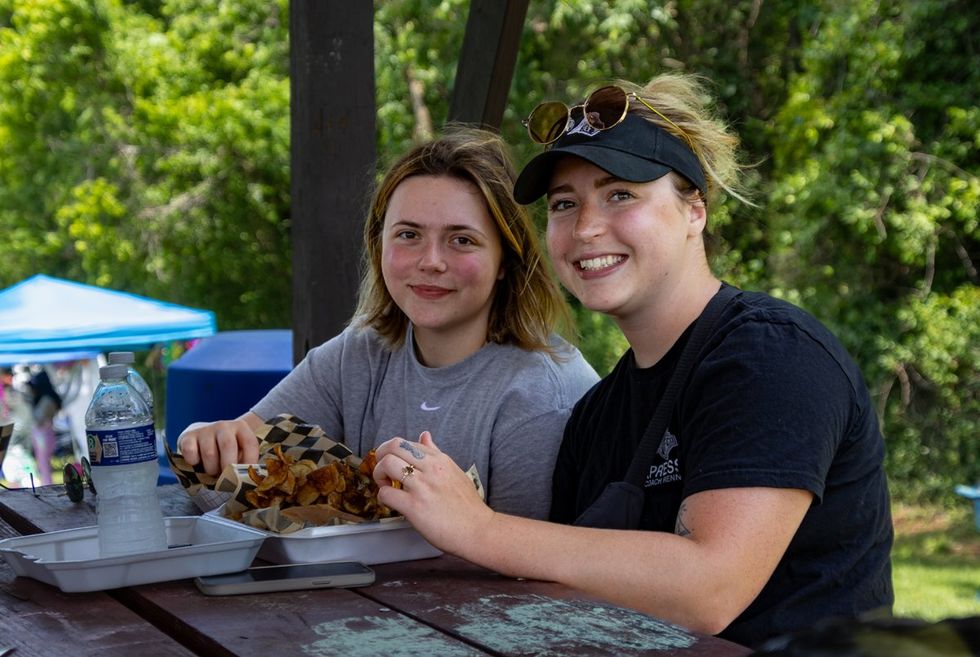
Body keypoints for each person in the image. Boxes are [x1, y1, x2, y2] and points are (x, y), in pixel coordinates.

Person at [371, 74, 894, 647]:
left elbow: (708, 589)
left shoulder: (772, 357)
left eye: (621, 193)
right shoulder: (595, 415)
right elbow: (568, 590)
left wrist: (478, 528)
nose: (587, 227)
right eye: (565, 204)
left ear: (694, 210)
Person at [178, 127, 598, 519]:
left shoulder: (543, 391)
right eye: (408, 235)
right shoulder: (358, 354)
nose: (430, 261)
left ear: (505, 259)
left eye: (462, 240)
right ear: (378, 244)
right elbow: (244, 455)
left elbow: (526, 573)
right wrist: (206, 440)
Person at [26, 367, 62, 485]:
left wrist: (29, 403)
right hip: (46, 433)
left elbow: (38, 420)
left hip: (42, 434)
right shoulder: (48, 398)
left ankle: (47, 485)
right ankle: (46, 484)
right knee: (44, 464)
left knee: (44, 464)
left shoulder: (46, 400)